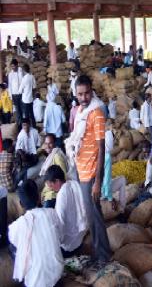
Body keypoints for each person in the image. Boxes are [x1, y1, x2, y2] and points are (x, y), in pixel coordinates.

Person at [65, 75, 112, 264]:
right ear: (75, 94)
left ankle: (103, 257)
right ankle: (99, 251)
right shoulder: (80, 111)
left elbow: (102, 148)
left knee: (94, 216)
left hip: (91, 173)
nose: (83, 98)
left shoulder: (96, 113)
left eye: (86, 93)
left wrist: (98, 182)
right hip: (80, 168)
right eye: (79, 94)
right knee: (90, 215)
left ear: (92, 91)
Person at [8, 180, 64, 287]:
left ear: (21, 204)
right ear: (39, 198)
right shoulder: (51, 213)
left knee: (12, 248)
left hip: (36, 282)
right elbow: (60, 238)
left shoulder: (16, 227)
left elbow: (17, 246)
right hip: (57, 275)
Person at [43, 165, 88, 258]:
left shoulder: (61, 196)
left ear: (57, 181)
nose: (51, 188)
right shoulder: (73, 184)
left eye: (51, 185)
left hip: (70, 245)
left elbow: (61, 226)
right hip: (80, 237)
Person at [102, 123, 127, 214]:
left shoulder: (97, 151)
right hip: (102, 192)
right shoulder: (107, 156)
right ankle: (122, 210)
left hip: (93, 190)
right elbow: (106, 180)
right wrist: (110, 198)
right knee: (122, 180)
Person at [39, 134, 68, 208]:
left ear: (55, 143)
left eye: (50, 143)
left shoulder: (57, 156)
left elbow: (63, 178)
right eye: (46, 143)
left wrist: (46, 191)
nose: (48, 146)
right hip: (49, 192)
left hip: (53, 195)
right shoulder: (51, 155)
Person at [8, 59, 23, 126]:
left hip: (21, 94)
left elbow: (23, 82)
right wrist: (11, 97)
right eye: (12, 66)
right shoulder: (10, 74)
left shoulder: (21, 71)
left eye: (14, 66)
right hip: (14, 95)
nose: (13, 68)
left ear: (17, 65)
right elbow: (10, 86)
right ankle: (19, 125)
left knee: (22, 110)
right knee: (17, 111)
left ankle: (24, 124)